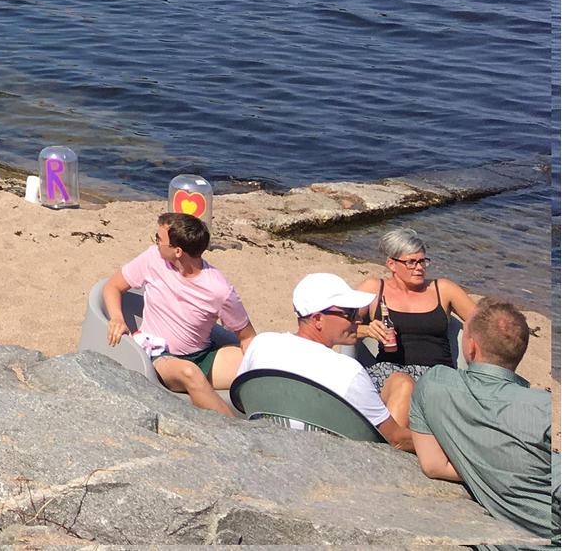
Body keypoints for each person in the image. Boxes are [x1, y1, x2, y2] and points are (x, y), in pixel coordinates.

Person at [408, 299, 556, 541]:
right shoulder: (543, 407)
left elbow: (433, 465)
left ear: (471, 347)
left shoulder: (433, 384)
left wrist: (484, 468)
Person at [102, 212, 258, 414]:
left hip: (204, 356)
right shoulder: (152, 259)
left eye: (159, 239)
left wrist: (258, 362)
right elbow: (112, 286)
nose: (156, 243)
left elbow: (247, 337)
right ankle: (234, 432)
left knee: (264, 364)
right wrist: (117, 318)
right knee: (189, 372)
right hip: (160, 356)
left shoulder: (219, 290)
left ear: (177, 251)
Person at [237, 273, 413, 450]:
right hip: (328, 455)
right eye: (350, 313)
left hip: (267, 445)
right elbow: (395, 439)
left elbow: (243, 400)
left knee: (400, 383)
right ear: (318, 319)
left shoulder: (261, 344)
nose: (359, 320)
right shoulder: (346, 371)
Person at [356, 227, 482, 424]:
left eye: (423, 261)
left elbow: (485, 325)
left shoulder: (443, 289)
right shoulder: (374, 288)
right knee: (403, 386)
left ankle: (394, 438)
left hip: (437, 374)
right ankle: (395, 439)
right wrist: (366, 329)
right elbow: (338, 325)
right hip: (390, 372)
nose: (419, 267)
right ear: (391, 264)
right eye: (411, 262)